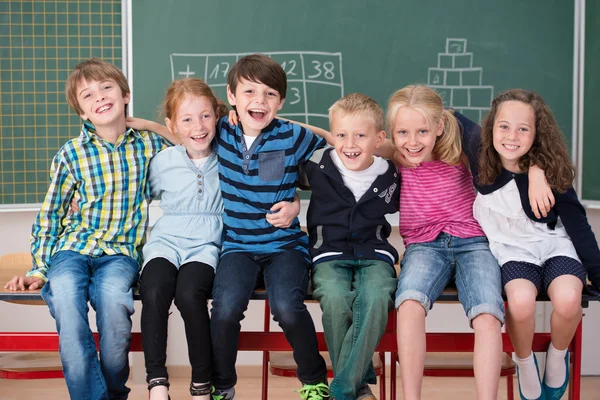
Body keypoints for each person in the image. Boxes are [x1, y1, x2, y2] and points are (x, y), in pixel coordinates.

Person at [4, 58, 176, 400]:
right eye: (88, 95)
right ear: (82, 113)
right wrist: (40, 267)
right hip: (73, 250)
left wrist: (149, 125)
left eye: (107, 87)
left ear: (125, 95)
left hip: (121, 255)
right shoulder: (71, 155)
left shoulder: (148, 146)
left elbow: (192, 146)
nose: (99, 96)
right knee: (66, 301)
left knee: (115, 308)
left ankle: (112, 394)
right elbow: (50, 217)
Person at [464, 89, 600, 400]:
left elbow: (578, 226)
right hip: (512, 252)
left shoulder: (550, 169)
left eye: (523, 129)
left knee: (568, 300)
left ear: (537, 134)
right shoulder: (479, 154)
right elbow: (445, 115)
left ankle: (556, 354)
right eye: (504, 126)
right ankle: (524, 360)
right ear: (490, 128)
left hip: (554, 246)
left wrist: (537, 168)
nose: (512, 136)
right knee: (521, 303)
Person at [208, 54, 329, 400]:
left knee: (288, 308)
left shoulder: (292, 136)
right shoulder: (220, 131)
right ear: (231, 96)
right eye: (249, 92)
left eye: (270, 95)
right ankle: (224, 385)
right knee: (226, 308)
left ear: (281, 102)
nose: (259, 102)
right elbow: (179, 126)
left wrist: (297, 204)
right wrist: (133, 120)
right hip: (238, 248)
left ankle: (313, 381)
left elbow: (342, 150)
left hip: (285, 247)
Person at [388, 85, 505, 400]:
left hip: (473, 243)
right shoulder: (393, 152)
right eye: (403, 132)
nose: (413, 142)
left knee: (487, 314)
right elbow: (338, 136)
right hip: (424, 246)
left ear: (439, 126)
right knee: (409, 304)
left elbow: (514, 155)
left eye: (423, 131)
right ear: (392, 132)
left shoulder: (463, 149)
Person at [303, 93, 399, 400]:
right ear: (332, 136)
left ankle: (342, 391)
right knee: (333, 298)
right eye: (341, 135)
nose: (350, 144)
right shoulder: (317, 163)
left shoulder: (391, 172)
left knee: (375, 296)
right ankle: (358, 386)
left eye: (360, 135)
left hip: (375, 252)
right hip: (328, 252)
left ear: (379, 138)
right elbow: (278, 178)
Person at [139, 78, 227, 400]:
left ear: (217, 117)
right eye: (187, 120)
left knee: (190, 295)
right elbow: (135, 197)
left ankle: (202, 384)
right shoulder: (164, 162)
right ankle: (157, 382)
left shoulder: (229, 157)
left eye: (205, 116)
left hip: (205, 244)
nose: (198, 127)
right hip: (166, 240)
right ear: (172, 125)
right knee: (154, 289)